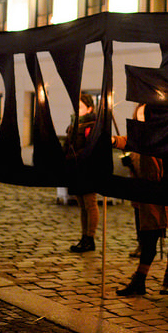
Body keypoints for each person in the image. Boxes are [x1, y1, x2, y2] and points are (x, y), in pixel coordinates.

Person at [113, 104, 168, 296]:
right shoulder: (145, 135)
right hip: (153, 192)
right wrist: (113, 140)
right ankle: (139, 281)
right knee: (149, 238)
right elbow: (128, 141)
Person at [64, 93, 99, 253]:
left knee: (90, 204)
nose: (77, 109)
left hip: (87, 168)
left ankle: (90, 238)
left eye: (80, 107)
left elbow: (90, 147)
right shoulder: (74, 123)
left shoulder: (92, 124)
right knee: (82, 206)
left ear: (89, 108)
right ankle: (84, 237)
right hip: (75, 169)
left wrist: (74, 156)